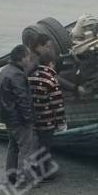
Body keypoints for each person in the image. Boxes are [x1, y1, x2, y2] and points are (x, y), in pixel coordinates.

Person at [0, 44, 37, 184]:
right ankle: (25, 179)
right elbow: (23, 100)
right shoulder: (17, 75)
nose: (29, 59)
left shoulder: (6, 71)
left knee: (13, 146)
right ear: (21, 58)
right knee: (26, 148)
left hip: (8, 117)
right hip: (19, 119)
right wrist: (29, 119)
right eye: (28, 56)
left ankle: (11, 176)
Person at [28, 48, 67, 179]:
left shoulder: (31, 76)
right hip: (47, 120)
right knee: (45, 146)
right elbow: (57, 105)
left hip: (33, 118)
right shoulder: (51, 80)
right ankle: (43, 173)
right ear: (51, 63)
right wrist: (61, 122)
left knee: (37, 144)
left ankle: (36, 168)